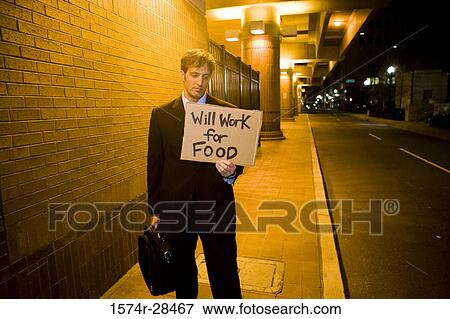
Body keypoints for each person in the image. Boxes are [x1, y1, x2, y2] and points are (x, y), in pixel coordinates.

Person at [147, 49, 243, 299]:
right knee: (183, 277)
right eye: (194, 75)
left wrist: (231, 172)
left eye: (205, 76)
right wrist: (155, 211)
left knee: (225, 273)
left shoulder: (227, 113)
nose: (200, 82)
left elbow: (238, 158)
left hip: (217, 207)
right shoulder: (161, 115)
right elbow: (155, 166)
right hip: (176, 208)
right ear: (182, 75)